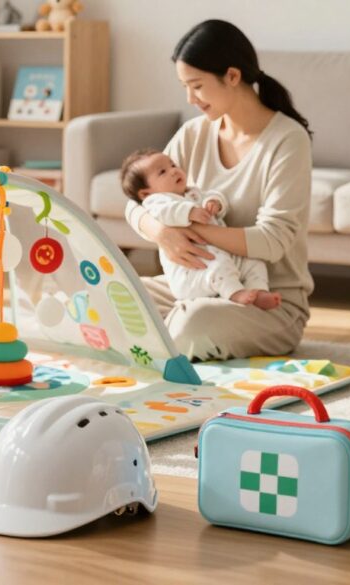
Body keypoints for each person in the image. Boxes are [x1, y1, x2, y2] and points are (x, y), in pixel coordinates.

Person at [125, 19, 313, 361]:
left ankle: (159, 342)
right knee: (114, 292)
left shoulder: (287, 141)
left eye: (196, 86)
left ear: (232, 76)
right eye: (185, 87)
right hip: (196, 286)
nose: (190, 98)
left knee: (194, 322)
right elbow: (137, 203)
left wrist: (192, 228)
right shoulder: (192, 134)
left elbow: (273, 240)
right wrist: (161, 231)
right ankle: (163, 341)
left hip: (267, 299)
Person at [120, 148, 280, 310]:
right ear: (145, 194)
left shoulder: (193, 193)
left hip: (221, 256)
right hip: (193, 271)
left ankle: (259, 290)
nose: (174, 171)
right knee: (219, 268)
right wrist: (189, 212)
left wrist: (215, 203)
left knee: (253, 262)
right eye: (162, 172)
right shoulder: (156, 201)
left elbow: (214, 196)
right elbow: (165, 212)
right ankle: (235, 294)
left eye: (173, 165)